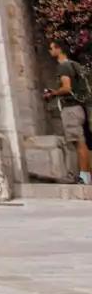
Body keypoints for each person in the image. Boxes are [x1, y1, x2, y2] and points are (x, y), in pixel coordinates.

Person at [44, 40, 92, 185]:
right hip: (80, 107)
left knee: (79, 142)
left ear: (59, 49)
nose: (49, 50)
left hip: (71, 108)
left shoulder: (64, 66)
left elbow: (66, 87)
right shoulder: (75, 65)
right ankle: (85, 175)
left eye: (51, 48)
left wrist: (53, 94)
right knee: (83, 141)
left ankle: (84, 177)